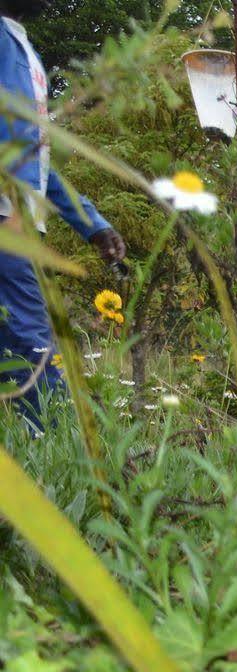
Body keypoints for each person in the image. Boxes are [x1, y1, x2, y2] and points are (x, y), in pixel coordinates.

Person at [0, 0, 124, 427]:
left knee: (18, 348)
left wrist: (91, 223)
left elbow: (39, 157)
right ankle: (59, 450)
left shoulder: (24, 52)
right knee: (32, 345)